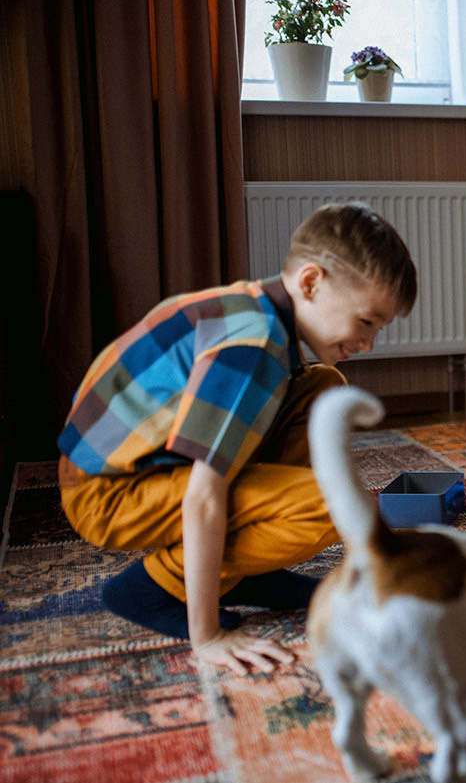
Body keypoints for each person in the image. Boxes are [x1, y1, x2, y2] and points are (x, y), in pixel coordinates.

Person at [57, 202, 417, 676]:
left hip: (150, 466)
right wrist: (207, 636)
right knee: (332, 505)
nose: (369, 343)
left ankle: (249, 575)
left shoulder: (256, 310)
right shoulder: (251, 346)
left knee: (323, 389)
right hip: (107, 492)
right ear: (310, 283)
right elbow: (206, 497)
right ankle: (155, 587)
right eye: (366, 322)